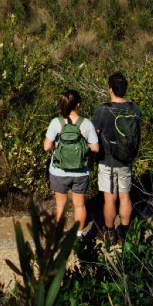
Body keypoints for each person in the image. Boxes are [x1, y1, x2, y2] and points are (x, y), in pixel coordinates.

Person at [88, 71, 144, 243]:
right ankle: (126, 232)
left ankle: (110, 232)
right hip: (126, 161)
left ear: (110, 89)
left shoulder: (102, 110)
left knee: (110, 197)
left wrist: (90, 160)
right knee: (125, 196)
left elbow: (93, 136)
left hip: (107, 161)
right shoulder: (135, 109)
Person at [42, 90, 100, 233]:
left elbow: (46, 147)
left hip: (59, 171)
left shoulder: (56, 122)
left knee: (61, 206)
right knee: (79, 205)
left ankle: (62, 233)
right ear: (78, 105)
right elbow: (96, 148)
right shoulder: (86, 124)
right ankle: (78, 234)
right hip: (80, 171)